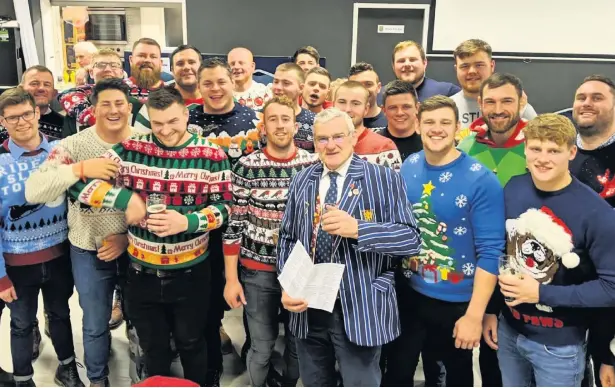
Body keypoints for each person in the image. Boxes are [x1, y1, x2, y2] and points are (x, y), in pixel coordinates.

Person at [66, 86, 232, 387]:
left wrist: (188, 221)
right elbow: (77, 185)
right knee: (153, 349)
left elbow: (225, 209)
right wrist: (124, 200)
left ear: (186, 114)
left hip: (192, 272)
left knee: (192, 343)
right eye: (157, 123)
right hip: (140, 273)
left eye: (173, 122)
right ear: (148, 120)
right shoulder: (130, 148)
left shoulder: (211, 154)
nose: (165, 131)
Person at [277, 108, 422, 386]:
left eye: (338, 136)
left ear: (353, 137)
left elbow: (410, 239)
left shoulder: (383, 178)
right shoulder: (301, 180)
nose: (330, 145)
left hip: (359, 305)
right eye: (322, 139)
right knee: (315, 381)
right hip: (309, 306)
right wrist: (288, 284)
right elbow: (287, 239)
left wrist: (359, 229)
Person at [26, 79, 142, 387]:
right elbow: (35, 189)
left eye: (120, 104)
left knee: (143, 321)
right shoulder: (73, 146)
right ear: (93, 110)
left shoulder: (146, 143)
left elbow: (160, 202)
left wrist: (126, 237)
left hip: (138, 249)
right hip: (88, 248)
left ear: (130, 108)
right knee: (94, 323)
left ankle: (142, 377)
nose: (114, 110)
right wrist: (78, 170)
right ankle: (97, 379)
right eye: (106, 104)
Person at [485, 113, 615, 387]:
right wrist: (491, 310)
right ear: (525, 148)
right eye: (536, 148)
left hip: (560, 346)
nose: (543, 158)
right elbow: (503, 252)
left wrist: (542, 293)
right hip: (510, 331)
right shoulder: (513, 189)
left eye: (554, 150)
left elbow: (611, 287)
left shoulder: (597, 214)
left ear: (571, 152)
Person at [385, 96, 504, 387]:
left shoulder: (481, 180)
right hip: (409, 295)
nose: (436, 129)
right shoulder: (409, 165)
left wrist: (475, 316)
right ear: (417, 125)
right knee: (397, 373)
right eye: (429, 122)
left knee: (455, 378)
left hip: (457, 303)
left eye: (444, 123)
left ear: (456, 129)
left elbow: (491, 252)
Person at [223, 96, 317, 386]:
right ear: (263, 127)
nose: (279, 125)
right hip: (257, 270)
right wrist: (231, 279)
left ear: (296, 124)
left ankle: (288, 383)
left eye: (285, 119)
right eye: (272, 119)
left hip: (301, 270)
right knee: (262, 345)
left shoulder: (312, 164)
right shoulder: (247, 166)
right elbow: (234, 224)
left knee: (297, 343)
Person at [0, 87, 83, 387]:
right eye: (12, 118)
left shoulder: (62, 152)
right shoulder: (0, 162)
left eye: (26, 114)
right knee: (22, 324)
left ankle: (68, 367)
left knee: (60, 315)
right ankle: (23, 379)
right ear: (2, 121)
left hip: (60, 256)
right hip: (16, 265)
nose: (21, 122)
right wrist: (0, 277)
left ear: (37, 113)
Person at [187, 57, 260, 385]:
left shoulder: (254, 120)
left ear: (233, 82)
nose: (215, 89)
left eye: (221, 81)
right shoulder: (187, 119)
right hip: (200, 222)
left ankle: (256, 352)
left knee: (249, 293)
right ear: (199, 86)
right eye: (208, 83)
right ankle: (211, 361)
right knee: (208, 292)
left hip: (245, 221)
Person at [569, 75, 615, 387]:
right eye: (581, 96)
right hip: (564, 285)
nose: (586, 103)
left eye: (597, 97)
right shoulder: (559, 153)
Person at [457, 73, 530, 187]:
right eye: (490, 102)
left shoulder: (540, 148)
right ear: (480, 103)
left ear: (521, 102)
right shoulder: (465, 148)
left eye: (507, 101)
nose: (498, 110)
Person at [450, 39, 537, 132]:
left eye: (479, 65)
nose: (472, 71)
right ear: (456, 69)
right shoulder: (447, 108)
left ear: (492, 66)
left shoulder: (520, 109)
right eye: (464, 66)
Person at [58, 48, 145, 135]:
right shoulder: (76, 108)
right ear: (91, 73)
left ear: (122, 73)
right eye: (100, 65)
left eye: (114, 65)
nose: (107, 69)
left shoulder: (136, 106)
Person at [333, 81, 401, 170]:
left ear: (366, 109)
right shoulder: (324, 144)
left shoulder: (384, 147)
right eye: (342, 102)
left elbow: (395, 183)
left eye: (355, 103)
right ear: (333, 105)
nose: (347, 109)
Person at [0, 66, 67, 144]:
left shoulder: (65, 124)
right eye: (34, 83)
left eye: (47, 84)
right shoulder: (3, 120)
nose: (41, 88)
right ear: (21, 89)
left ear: (54, 93)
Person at [392, 41, 460, 101]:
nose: (407, 64)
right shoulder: (382, 96)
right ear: (393, 66)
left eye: (412, 60)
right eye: (401, 61)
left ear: (424, 63)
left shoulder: (448, 92)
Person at [271, 63, 316, 152]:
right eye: (276, 82)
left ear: (301, 88)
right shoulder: (259, 118)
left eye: (286, 83)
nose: (278, 87)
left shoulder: (315, 121)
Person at [379, 80, 423, 162]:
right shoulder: (373, 142)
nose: (400, 113)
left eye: (406, 107)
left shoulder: (429, 143)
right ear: (384, 110)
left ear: (417, 108)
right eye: (393, 108)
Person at [228, 47, 270, 112]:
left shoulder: (266, 93)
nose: (236, 67)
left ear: (252, 67)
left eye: (241, 63)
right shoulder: (222, 95)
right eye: (232, 64)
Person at [348, 62, 387, 131]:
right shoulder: (343, 121)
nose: (363, 90)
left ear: (378, 87)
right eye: (357, 85)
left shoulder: (390, 120)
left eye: (368, 84)